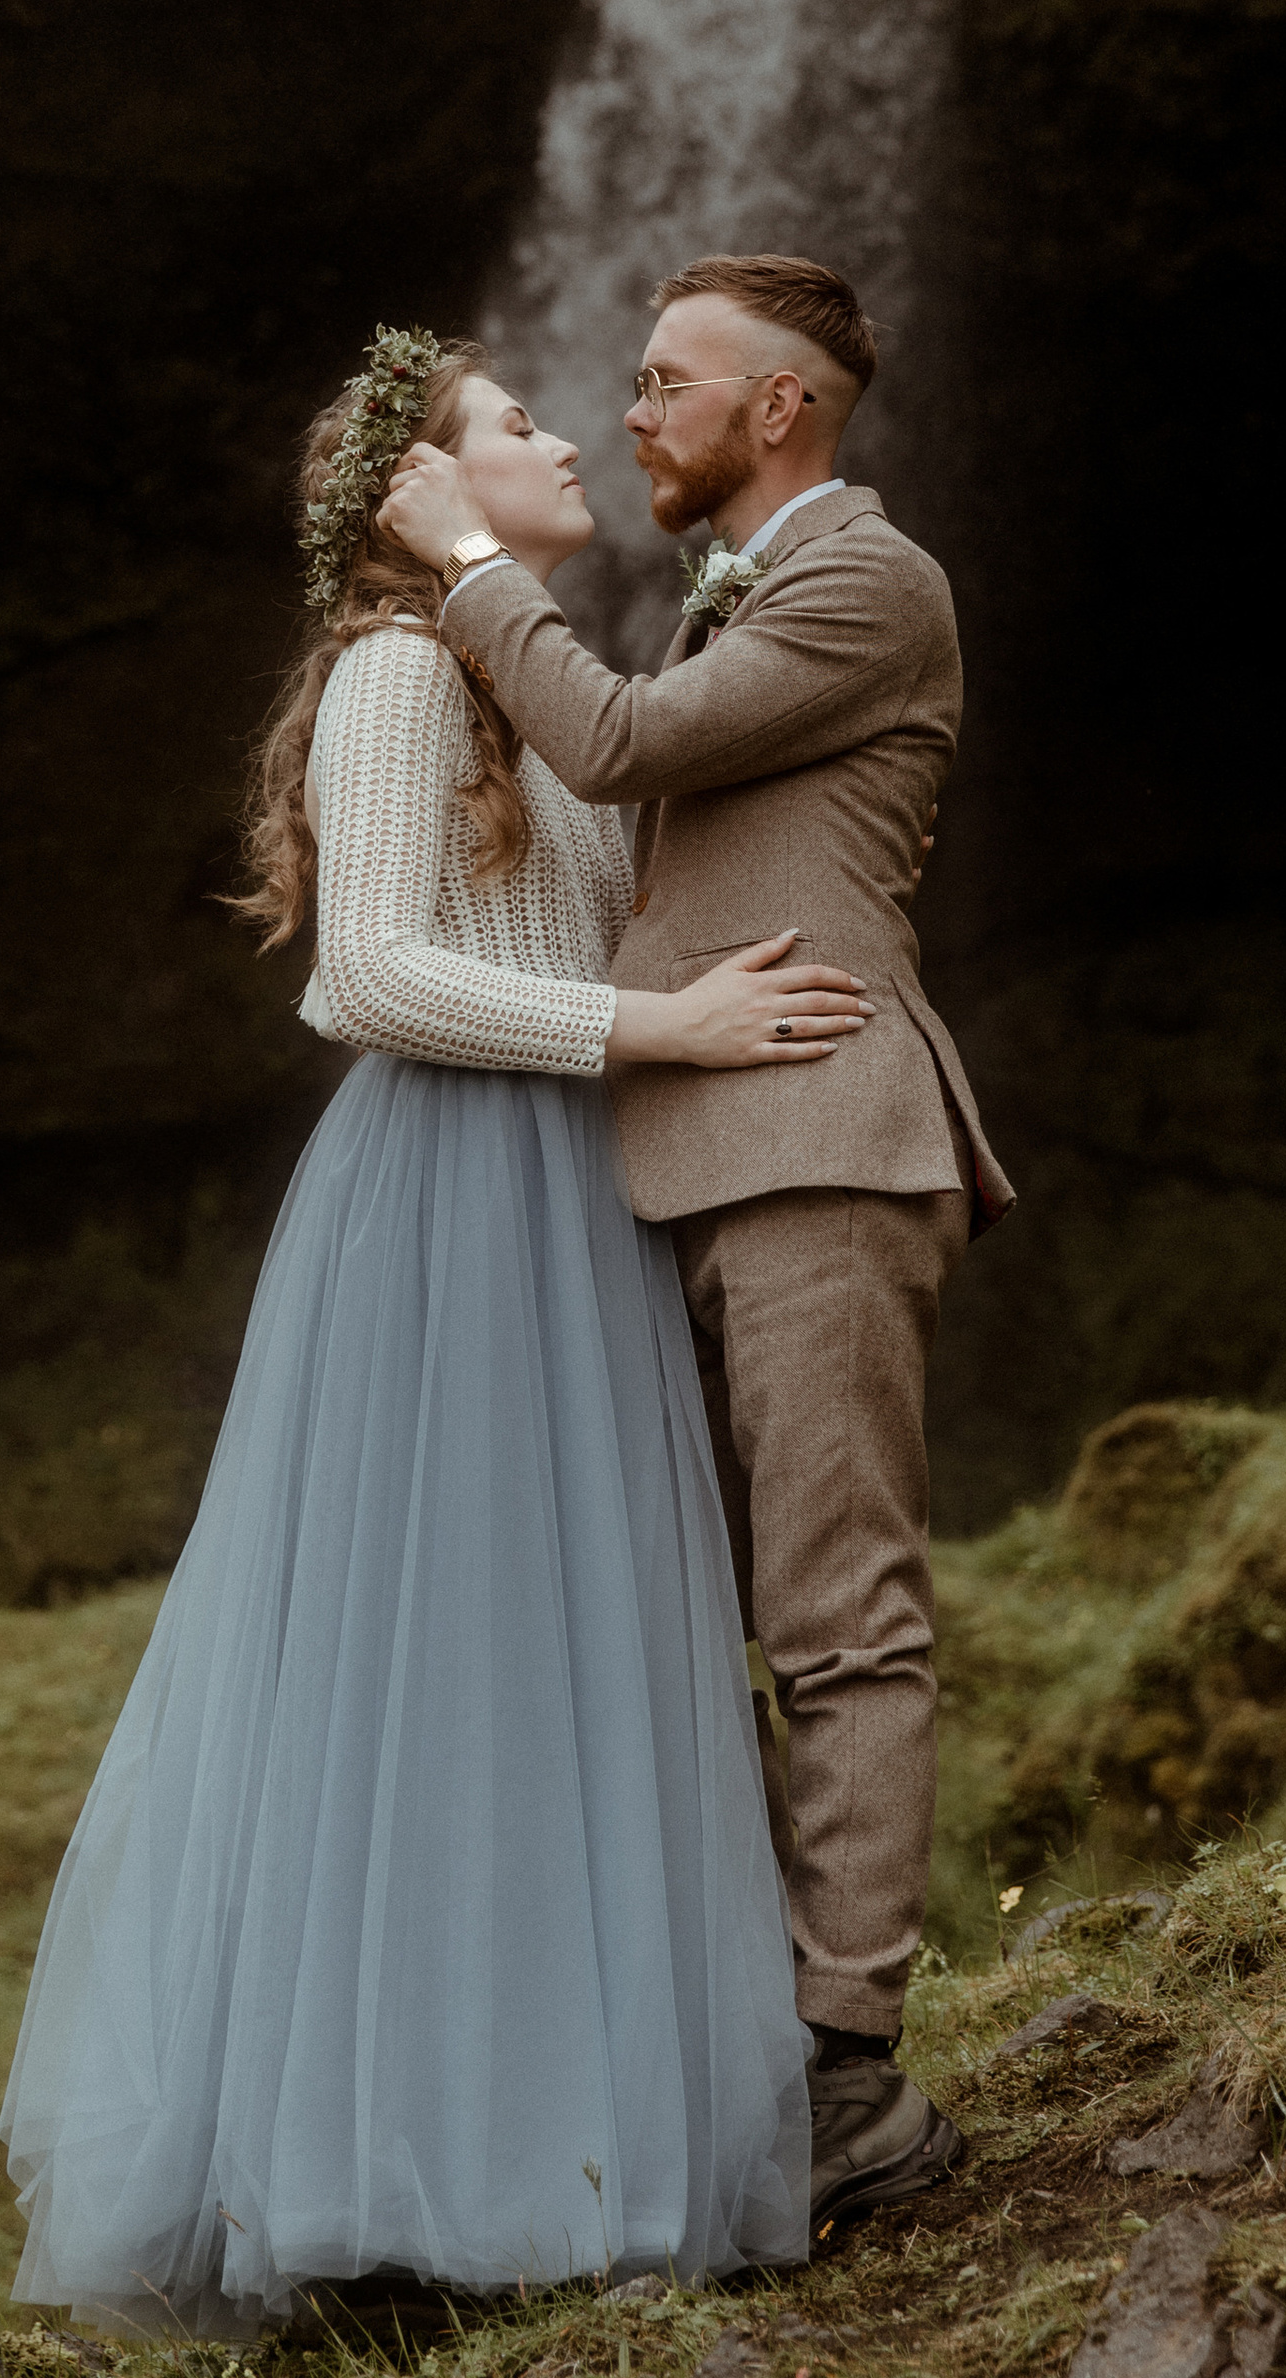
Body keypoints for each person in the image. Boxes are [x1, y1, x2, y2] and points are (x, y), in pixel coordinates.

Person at [0, 326, 874, 2340]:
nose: (569, 433)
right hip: (453, 1206)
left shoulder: (531, 693)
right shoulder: (401, 678)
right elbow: (371, 979)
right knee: (430, 1676)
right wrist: (664, 1027)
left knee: (549, 1671)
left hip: (565, 1201)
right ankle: (373, 2198)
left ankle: (539, 2150)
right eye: (511, 423)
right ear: (420, 491)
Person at [379, 254, 1017, 2236]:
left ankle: (843, 2083)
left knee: (837, 1621)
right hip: (672, 1161)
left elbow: (624, 745)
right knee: (669, 1626)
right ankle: (699, 2038)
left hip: (814, 1139)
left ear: (782, 415)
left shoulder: (864, 580)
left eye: (669, 383)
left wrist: (464, 556)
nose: (630, 408)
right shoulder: (736, 584)